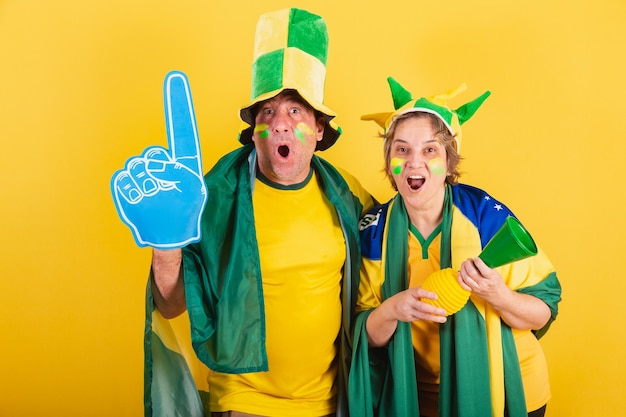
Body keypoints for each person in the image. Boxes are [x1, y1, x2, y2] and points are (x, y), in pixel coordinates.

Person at [146, 8, 375, 417]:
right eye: (267, 112)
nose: (281, 124)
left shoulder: (347, 195)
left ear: (319, 130)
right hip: (244, 399)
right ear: (254, 131)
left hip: (331, 401)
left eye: (295, 111)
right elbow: (171, 306)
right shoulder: (214, 194)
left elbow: (393, 256)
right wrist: (166, 242)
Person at [348, 77, 562, 417]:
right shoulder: (374, 230)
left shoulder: (486, 218)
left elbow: (543, 311)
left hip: (507, 389)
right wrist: (393, 309)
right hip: (414, 397)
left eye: (429, 150)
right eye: (402, 149)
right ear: (390, 161)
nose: (415, 162)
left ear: (449, 163)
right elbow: (365, 335)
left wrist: (497, 294)